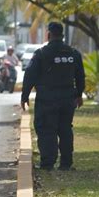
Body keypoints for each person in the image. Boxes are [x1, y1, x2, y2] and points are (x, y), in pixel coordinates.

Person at [21, 22, 85, 171]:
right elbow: (80, 76)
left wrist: (25, 96)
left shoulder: (42, 53)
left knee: (46, 130)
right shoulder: (73, 53)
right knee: (65, 130)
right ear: (62, 35)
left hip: (47, 99)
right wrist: (79, 94)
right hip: (68, 98)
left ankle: (48, 163)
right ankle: (66, 163)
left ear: (49, 34)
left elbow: (29, 75)